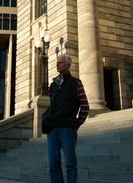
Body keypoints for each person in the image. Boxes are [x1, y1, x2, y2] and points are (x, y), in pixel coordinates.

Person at [42, 54, 90, 183]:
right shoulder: (52, 86)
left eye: (61, 63)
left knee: (70, 164)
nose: (57, 64)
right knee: (53, 165)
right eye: (57, 62)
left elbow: (85, 106)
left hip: (67, 129)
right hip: (52, 130)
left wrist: (76, 124)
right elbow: (52, 106)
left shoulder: (76, 83)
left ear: (68, 66)